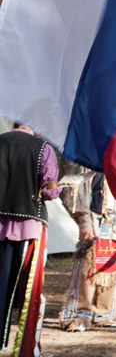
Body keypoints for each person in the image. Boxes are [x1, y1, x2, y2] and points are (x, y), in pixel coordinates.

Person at [0, 123, 61, 356]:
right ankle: (22, 346)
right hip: (28, 226)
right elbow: (50, 191)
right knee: (27, 289)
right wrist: (58, 188)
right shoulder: (43, 148)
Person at [59, 172, 116, 331]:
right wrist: (85, 223)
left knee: (112, 271)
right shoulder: (92, 166)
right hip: (96, 224)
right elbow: (81, 195)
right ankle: (82, 313)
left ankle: (103, 313)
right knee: (88, 270)